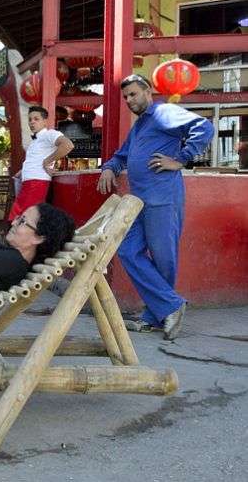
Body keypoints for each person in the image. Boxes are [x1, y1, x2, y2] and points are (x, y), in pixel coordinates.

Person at [97, 74, 214, 340]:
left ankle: (155, 316)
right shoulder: (140, 125)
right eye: (126, 96)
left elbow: (204, 127)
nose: (129, 100)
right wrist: (109, 168)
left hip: (163, 197)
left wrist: (181, 159)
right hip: (140, 200)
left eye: (133, 94)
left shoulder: (163, 112)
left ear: (148, 91)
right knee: (126, 250)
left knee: (163, 259)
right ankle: (169, 307)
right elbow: (122, 154)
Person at [9, 106, 74, 220]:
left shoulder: (49, 134)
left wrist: (47, 161)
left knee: (25, 218)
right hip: (29, 182)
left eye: (36, 119)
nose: (32, 122)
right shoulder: (35, 141)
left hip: (36, 182)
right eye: (30, 119)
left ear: (45, 121)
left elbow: (68, 145)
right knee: (21, 217)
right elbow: (35, 159)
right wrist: (22, 171)